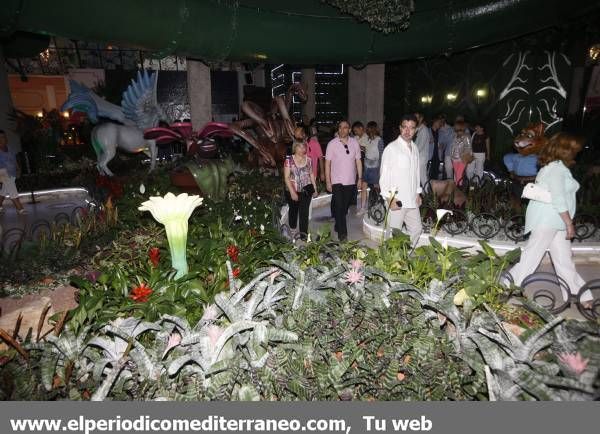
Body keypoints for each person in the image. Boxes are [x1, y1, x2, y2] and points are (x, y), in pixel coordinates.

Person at [507, 133, 593, 305]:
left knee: (563, 260)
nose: (576, 153)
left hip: (555, 221)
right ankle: (505, 286)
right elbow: (559, 199)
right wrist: (569, 223)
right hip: (548, 219)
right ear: (565, 151)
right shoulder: (556, 169)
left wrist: (566, 222)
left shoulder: (555, 167)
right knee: (531, 257)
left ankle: (580, 295)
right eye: (573, 150)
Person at [379, 114, 422, 247]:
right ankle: (390, 263)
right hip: (396, 200)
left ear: (416, 130)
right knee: (393, 235)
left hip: (411, 199)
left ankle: (406, 255)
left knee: (416, 229)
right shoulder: (391, 149)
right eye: (405, 127)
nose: (408, 131)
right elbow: (384, 176)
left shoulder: (414, 148)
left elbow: (416, 173)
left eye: (411, 128)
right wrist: (389, 199)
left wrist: (418, 192)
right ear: (400, 128)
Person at [326, 120, 362, 242]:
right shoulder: (332, 144)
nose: (342, 130)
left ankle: (338, 223)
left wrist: (360, 178)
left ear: (349, 130)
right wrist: (327, 181)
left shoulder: (355, 143)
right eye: (340, 127)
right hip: (337, 181)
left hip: (350, 180)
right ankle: (343, 234)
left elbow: (358, 161)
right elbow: (327, 163)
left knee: (344, 208)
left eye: (345, 127)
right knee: (340, 206)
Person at [283, 139, 318, 239]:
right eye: (300, 146)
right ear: (295, 147)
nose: (303, 149)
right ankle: (293, 229)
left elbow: (311, 174)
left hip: (306, 190)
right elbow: (286, 177)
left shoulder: (309, 159)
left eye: (304, 147)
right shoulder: (289, 160)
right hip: (292, 190)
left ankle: (303, 235)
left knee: (304, 213)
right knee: (293, 210)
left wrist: (315, 188)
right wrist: (293, 192)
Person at [358, 121, 384, 215]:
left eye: (369, 128)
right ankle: (362, 207)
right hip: (367, 166)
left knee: (376, 187)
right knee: (364, 186)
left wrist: (381, 170)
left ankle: (378, 206)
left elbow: (382, 155)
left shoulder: (379, 140)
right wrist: (361, 147)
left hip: (376, 167)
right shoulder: (368, 139)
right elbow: (367, 150)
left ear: (373, 129)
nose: (367, 130)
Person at [0, 130, 27, 215]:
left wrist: (18, 169)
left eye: (4, 136)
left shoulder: (9, 148)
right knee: (11, 188)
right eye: (1, 137)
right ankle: (20, 208)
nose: (3, 138)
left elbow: (14, 160)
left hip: (12, 173)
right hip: (2, 172)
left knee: (4, 191)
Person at [414, 112, 434, 188]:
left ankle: (427, 195)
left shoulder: (424, 130)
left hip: (421, 158)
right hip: (416, 157)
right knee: (418, 177)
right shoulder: (416, 129)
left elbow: (420, 146)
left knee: (422, 177)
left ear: (421, 119)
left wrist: (411, 153)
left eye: (416, 117)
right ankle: (423, 194)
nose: (414, 119)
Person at [449, 121, 472, 186]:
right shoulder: (455, 136)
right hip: (454, 158)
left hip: (462, 158)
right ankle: (457, 188)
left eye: (455, 126)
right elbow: (452, 146)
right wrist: (451, 156)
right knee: (456, 174)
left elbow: (469, 148)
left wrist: (465, 157)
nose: (454, 127)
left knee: (459, 174)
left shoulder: (466, 136)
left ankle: (459, 188)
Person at [437, 114, 455, 180]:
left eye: (442, 119)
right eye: (439, 119)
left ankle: (454, 187)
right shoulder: (437, 129)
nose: (441, 120)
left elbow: (449, 141)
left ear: (445, 119)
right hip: (443, 153)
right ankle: (448, 186)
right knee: (447, 171)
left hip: (452, 153)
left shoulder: (451, 129)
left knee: (455, 171)